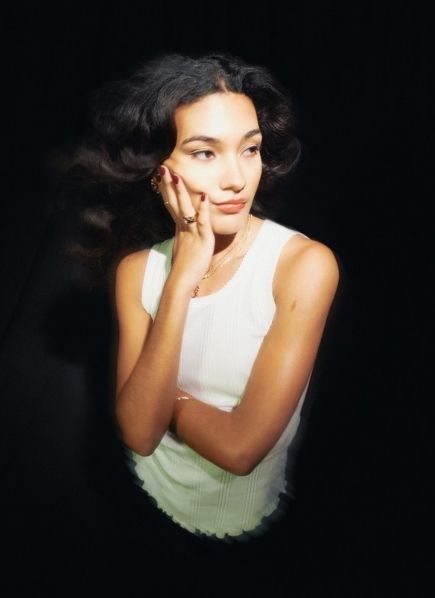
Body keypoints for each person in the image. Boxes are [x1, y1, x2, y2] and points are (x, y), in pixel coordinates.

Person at [59, 50, 340, 596]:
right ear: (159, 170)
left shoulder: (303, 266)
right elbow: (139, 434)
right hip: (143, 501)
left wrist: (169, 401)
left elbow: (240, 450)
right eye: (205, 152)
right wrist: (183, 275)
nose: (237, 178)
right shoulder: (138, 271)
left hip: (238, 535)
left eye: (250, 148)